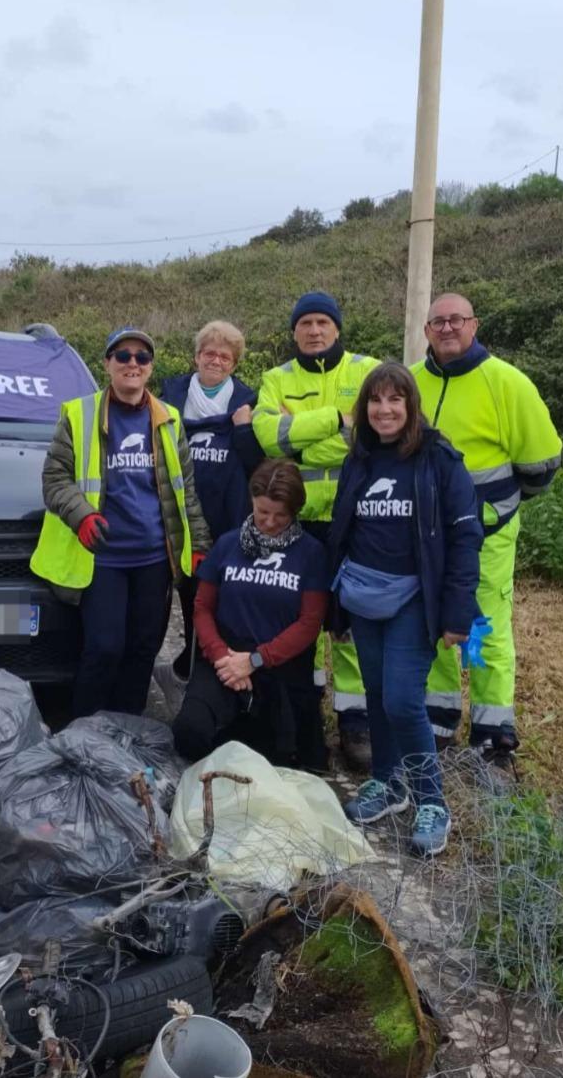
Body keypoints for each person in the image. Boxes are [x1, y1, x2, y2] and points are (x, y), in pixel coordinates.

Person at [328, 362, 482, 857]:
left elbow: (465, 537)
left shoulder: (439, 459)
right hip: (363, 594)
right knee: (375, 693)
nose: (385, 409)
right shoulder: (360, 458)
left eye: (395, 400)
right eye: (376, 401)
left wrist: (457, 613)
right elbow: (342, 531)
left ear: (411, 406)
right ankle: (388, 784)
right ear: (364, 408)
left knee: (401, 700)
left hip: (413, 599)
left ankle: (431, 800)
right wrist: (336, 607)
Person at [31, 327, 211, 717]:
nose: (133, 364)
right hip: (104, 559)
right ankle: (84, 732)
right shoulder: (79, 415)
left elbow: (186, 492)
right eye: (123, 356)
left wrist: (197, 547)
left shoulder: (170, 419)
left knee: (143, 649)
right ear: (108, 364)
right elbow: (55, 478)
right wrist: (82, 515)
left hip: (153, 559)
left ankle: (127, 731)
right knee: (105, 647)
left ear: (150, 368)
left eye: (142, 357)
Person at [412, 293, 561, 760]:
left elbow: (541, 464)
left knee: (487, 629)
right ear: (426, 331)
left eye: (457, 319)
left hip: (488, 536)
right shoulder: (411, 383)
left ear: (474, 325)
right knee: (431, 624)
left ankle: (494, 735)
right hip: (424, 538)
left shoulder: (507, 383)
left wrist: (494, 510)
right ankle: (438, 721)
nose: (448, 328)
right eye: (438, 321)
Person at [252, 292, 379, 771]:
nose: (314, 330)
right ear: (294, 332)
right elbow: (270, 438)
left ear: (338, 328)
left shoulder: (367, 371)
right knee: (295, 620)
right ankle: (298, 717)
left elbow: (369, 436)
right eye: (305, 322)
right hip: (297, 520)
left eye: (323, 321)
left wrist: (301, 441)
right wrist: (334, 422)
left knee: (347, 623)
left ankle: (354, 722)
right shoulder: (275, 378)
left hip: (354, 518)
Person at [171, 458, 330, 770]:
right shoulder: (228, 545)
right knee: (189, 733)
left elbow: (310, 623)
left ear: (294, 511)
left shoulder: (311, 553)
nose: (269, 522)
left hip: (278, 665)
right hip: (225, 660)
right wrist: (221, 657)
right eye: (262, 512)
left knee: (273, 762)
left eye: (280, 515)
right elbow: (202, 608)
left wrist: (255, 660)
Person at [159, 321, 265, 679]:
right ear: (196, 357)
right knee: (183, 593)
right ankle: (190, 651)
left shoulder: (247, 401)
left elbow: (257, 464)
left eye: (225, 356)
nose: (216, 360)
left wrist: (244, 429)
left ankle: (215, 661)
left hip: (227, 514)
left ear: (234, 364)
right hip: (178, 512)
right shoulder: (169, 397)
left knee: (219, 591)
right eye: (209, 353)